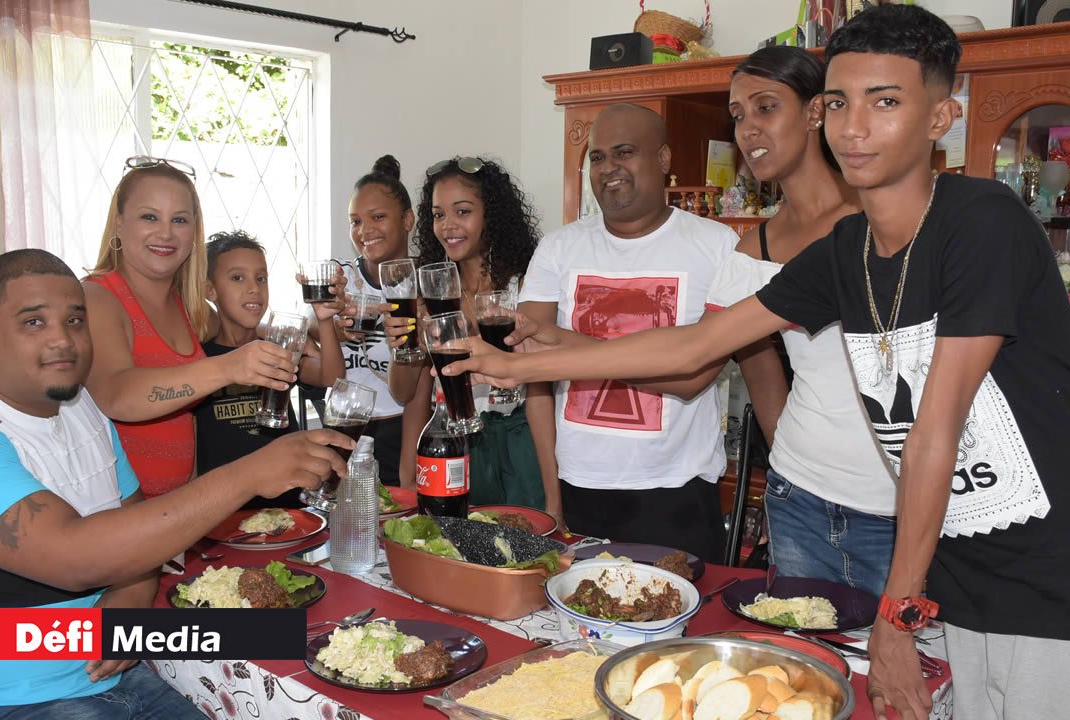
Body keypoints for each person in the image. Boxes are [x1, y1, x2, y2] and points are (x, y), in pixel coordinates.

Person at [444, 7, 1070, 719]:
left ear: (940, 116)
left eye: (886, 102)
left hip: (1067, 579)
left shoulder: (980, 221)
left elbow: (933, 428)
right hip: (967, 571)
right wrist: (517, 367)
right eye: (840, 103)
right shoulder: (843, 254)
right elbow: (695, 346)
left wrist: (896, 614)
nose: (855, 128)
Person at [0, 249, 349, 720]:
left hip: (113, 677)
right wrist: (249, 474)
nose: (63, 340)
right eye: (34, 323)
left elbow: (140, 539)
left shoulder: (82, 412)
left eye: (75, 321)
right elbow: (76, 557)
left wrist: (128, 603)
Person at [610, 47, 896, 594]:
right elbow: (731, 366)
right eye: (738, 115)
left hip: (896, 500)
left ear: (816, 112)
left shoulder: (876, 221)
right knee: (803, 664)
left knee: (903, 669)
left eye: (766, 107)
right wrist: (787, 474)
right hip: (801, 499)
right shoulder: (753, 247)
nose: (748, 129)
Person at [511, 104, 739, 560]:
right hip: (578, 485)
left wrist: (563, 343)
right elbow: (530, 364)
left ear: (664, 159)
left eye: (624, 152)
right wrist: (552, 495)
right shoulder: (559, 247)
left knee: (677, 628)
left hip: (677, 492)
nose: (608, 168)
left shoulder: (718, 247)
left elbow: (692, 375)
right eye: (596, 157)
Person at [83, 157, 300, 497]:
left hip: (181, 517)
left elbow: (247, 323)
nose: (166, 232)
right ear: (119, 224)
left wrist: (319, 321)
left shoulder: (191, 309)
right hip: (117, 518)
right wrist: (228, 367)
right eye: (149, 216)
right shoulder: (97, 296)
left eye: (179, 220)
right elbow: (117, 395)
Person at [383, 156, 549, 509]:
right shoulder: (432, 290)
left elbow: (543, 381)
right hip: (457, 442)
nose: (448, 226)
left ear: (492, 214)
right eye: (439, 215)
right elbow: (405, 394)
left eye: (462, 211)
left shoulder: (528, 283)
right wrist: (403, 345)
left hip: (524, 443)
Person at [192, 230, 346, 506]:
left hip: (288, 503)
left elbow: (332, 378)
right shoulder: (199, 359)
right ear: (210, 290)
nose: (254, 288)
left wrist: (324, 320)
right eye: (238, 278)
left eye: (261, 278)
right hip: (223, 506)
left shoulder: (278, 346)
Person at [332, 156, 432, 487]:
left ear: (407, 220)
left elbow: (411, 393)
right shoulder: (340, 279)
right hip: (343, 433)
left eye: (378, 217)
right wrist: (332, 330)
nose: (364, 231)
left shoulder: (427, 289)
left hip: (401, 433)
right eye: (355, 221)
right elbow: (296, 334)